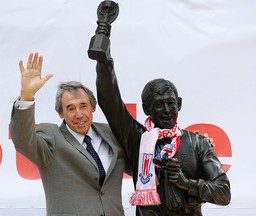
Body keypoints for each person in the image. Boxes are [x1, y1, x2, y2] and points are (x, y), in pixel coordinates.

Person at [94, 57, 231, 215]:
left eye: (171, 103)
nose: (167, 110)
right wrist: (104, 62)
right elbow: (110, 102)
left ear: (179, 104)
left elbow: (223, 193)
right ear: (146, 109)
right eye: (159, 104)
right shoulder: (138, 139)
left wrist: (186, 183)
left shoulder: (198, 143)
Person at [9, 52, 130, 216]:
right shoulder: (52, 137)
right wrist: (27, 96)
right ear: (61, 113)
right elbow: (23, 141)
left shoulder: (111, 133)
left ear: (93, 107)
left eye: (83, 106)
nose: (79, 114)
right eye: (71, 108)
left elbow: (139, 165)